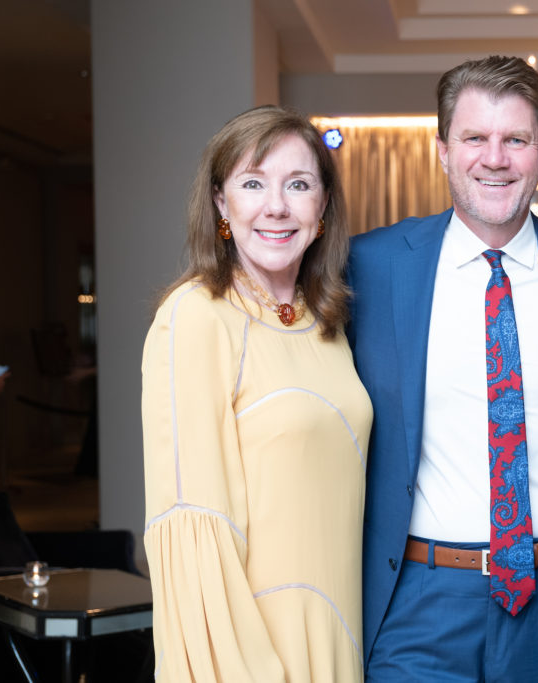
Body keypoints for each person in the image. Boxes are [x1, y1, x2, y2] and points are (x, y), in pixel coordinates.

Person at [348, 56, 538, 680]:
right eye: (475, 139)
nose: (495, 158)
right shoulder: (369, 268)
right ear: (442, 150)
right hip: (419, 601)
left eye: (516, 140)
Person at [141, 105, 372, 682]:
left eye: (298, 185)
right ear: (222, 204)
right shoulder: (195, 317)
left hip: (338, 637)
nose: (276, 206)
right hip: (252, 655)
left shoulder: (328, 327)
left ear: (322, 209)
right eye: (252, 183)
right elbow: (192, 528)